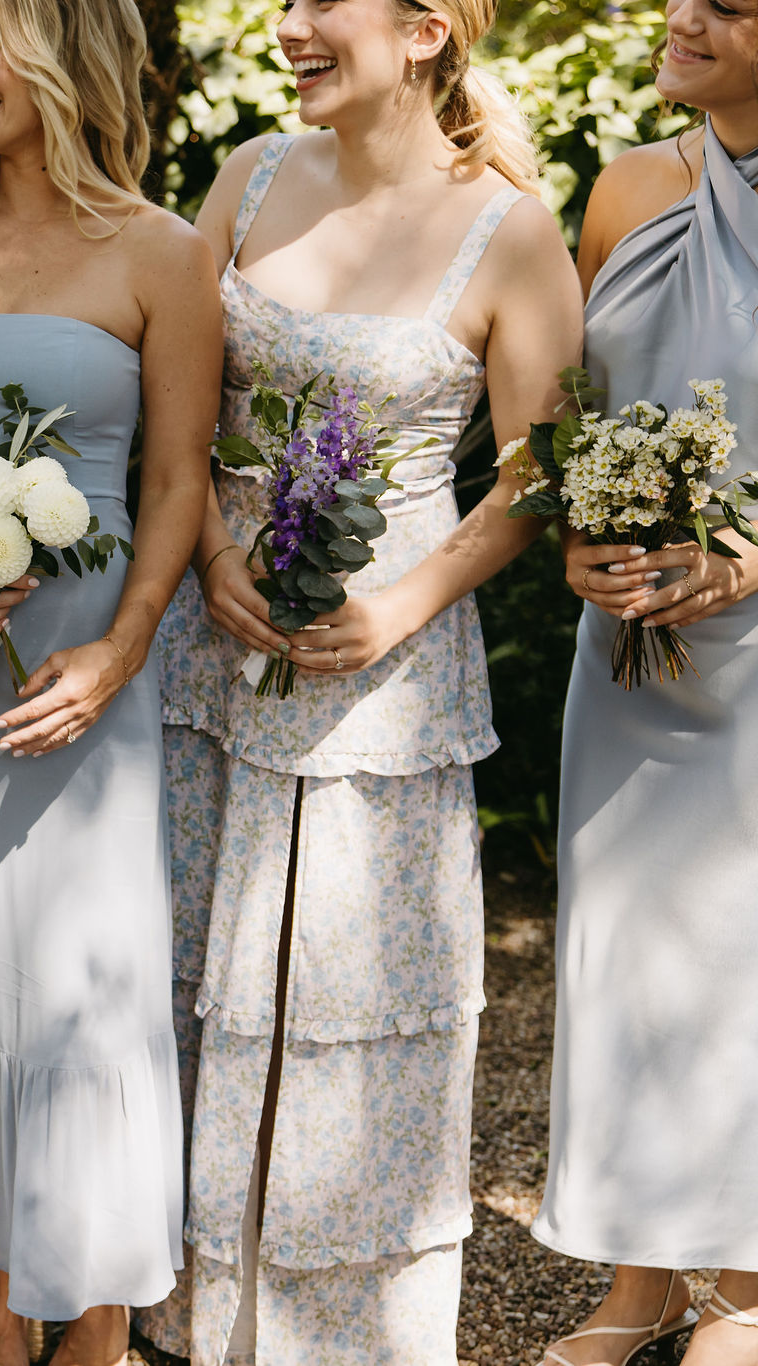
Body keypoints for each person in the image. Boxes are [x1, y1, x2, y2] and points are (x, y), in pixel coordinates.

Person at [137, 0, 583, 1355]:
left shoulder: (510, 228)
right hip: (218, 639)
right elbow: (180, 392)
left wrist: (401, 601)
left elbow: (534, 473)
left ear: (430, 29)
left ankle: (341, 1328)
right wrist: (209, 547)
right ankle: (186, 1303)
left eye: (322, 4)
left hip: (384, 659)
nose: (290, 27)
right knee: (194, 964)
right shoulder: (250, 176)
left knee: (350, 989)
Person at [0, 0, 218, 1359]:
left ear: (62, 55)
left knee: (77, 979)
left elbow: (180, 479)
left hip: (86, 677)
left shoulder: (162, 251)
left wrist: (121, 647)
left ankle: (87, 1316)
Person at [533, 0, 758, 1358]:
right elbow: (565, 419)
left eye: (730, 2)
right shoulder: (625, 188)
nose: (684, 15)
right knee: (623, 945)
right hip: (629, 656)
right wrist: (576, 538)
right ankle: (640, 1275)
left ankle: (749, 1274)